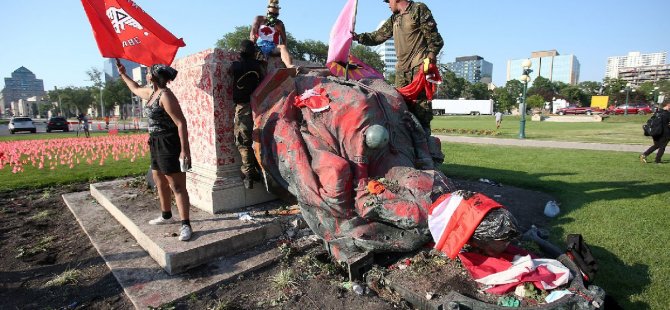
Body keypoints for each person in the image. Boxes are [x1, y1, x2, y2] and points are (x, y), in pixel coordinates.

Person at [116, 60, 193, 241]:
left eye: (148, 72)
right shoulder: (152, 93)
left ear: (153, 76)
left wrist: (184, 150)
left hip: (169, 143)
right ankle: (166, 215)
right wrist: (122, 74)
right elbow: (134, 88)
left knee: (177, 186)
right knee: (159, 181)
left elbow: (181, 123)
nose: (145, 74)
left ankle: (186, 225)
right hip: (155, 142)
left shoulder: (165, 96)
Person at [353, 0, 444, 135]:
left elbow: (436, 40)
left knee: (421, 110)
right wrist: (357, 37)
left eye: (388, 1)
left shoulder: (418, 9)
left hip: (419, 67)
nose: (388, 5)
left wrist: (430, 58)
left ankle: (426, 146)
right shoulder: (394, 18)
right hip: (402, 70)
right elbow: (377, 36)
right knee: (401, 108)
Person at [231, 40, 264, 189]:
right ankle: (258, 172)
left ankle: (249, 174)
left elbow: (229, 71)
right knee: (257, 140)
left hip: (243, 107)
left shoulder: (236, 66)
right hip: (258, 108)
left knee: (243, 141)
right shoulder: (258, 66)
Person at [250, 0, 294, 68]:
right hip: (259, 46)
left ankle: (289, 66)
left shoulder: (279, 24)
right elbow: (253, 31)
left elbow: (284, 39)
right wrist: (252, 39)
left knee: (282, 47)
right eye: (271, 13)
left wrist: (284, 52)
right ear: (267, 11)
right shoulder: (259, 19)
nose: (273, 16)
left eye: (275, 14)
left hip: (273, 47)